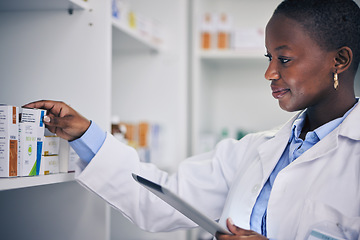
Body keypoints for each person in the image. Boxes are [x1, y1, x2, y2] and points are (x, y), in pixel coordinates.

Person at [24, 0, 360, 239]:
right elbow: (159, 199)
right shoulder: (255, 151)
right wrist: (85, 135)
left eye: (284, 59)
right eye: (269, 57)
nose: (269, 72)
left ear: (340, 60)